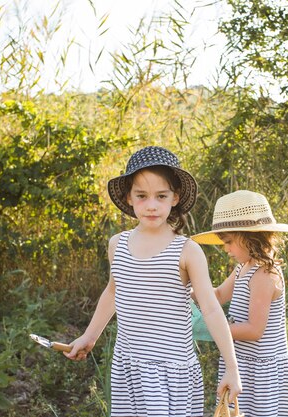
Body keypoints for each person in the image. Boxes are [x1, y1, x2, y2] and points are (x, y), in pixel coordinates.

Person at [64, 146, 241, 417]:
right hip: (129, 367)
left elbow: (211, 308)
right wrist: (89, 336)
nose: (151, 205)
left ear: (175, 197)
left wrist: (231, 366)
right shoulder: (118, 245)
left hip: (171, 373)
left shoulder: (187, 251)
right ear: (129, 198)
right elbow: (113, 292)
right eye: (142, 196)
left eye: (161, 196)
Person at [192, 190, 288, 417]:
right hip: (242, 362)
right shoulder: (244, 267)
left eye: (229, 242)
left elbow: (254, 330)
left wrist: (214, 329)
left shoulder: (264, 274)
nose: (226, 249)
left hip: (260, 369)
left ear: (251, 237)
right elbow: (219, 294)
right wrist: (190, 292)